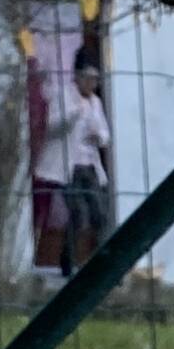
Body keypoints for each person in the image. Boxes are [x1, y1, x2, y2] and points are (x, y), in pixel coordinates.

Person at [64, 56, 114, 266]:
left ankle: (101, 264)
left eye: (95, 80)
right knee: (79, 216)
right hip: (71, 166)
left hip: (91, 165)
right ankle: (69, 262)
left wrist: (99, 137)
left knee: (100, 214)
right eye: (87, 78)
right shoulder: (68, 97)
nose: (91, 84)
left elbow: (105, 133)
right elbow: (57, 126)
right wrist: (75, 115)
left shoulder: (96, 102)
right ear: (78, 77)